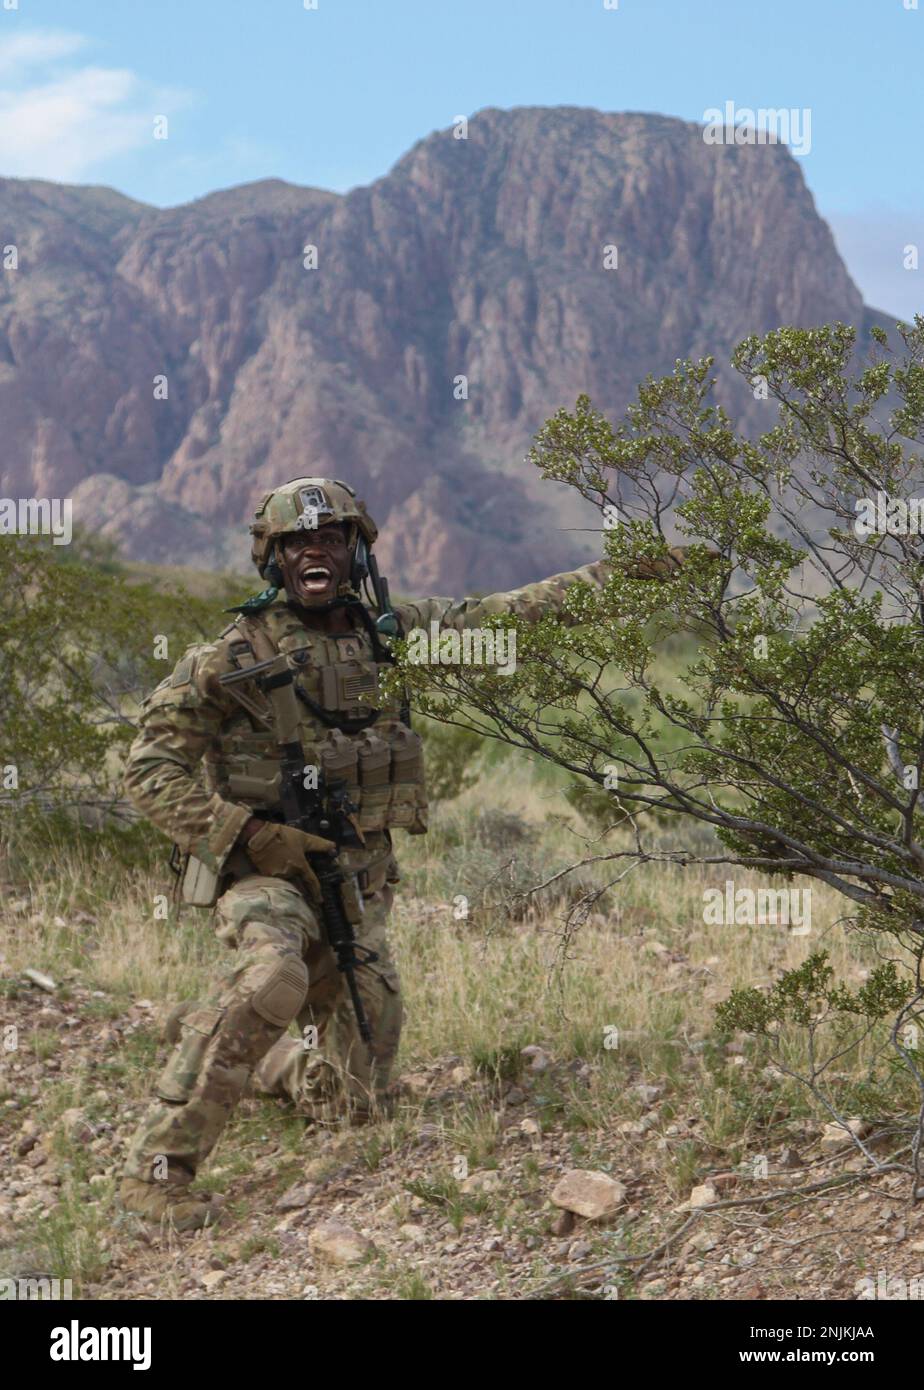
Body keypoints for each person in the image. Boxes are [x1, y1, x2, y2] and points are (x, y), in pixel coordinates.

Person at [118, 477, 689, 1230]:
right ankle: (158, 1173)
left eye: (329, 539)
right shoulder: (228, 656)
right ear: (273, 557)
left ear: (354, 549)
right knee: (272, 974)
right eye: (297, 543)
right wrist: (252, 836)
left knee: (352, 1107)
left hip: (355, 886)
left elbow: (502, 620)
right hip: (265, 875)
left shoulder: (390, 632)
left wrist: (618, 581)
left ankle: (258, 1057)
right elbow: (148, 770)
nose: (314, 552)